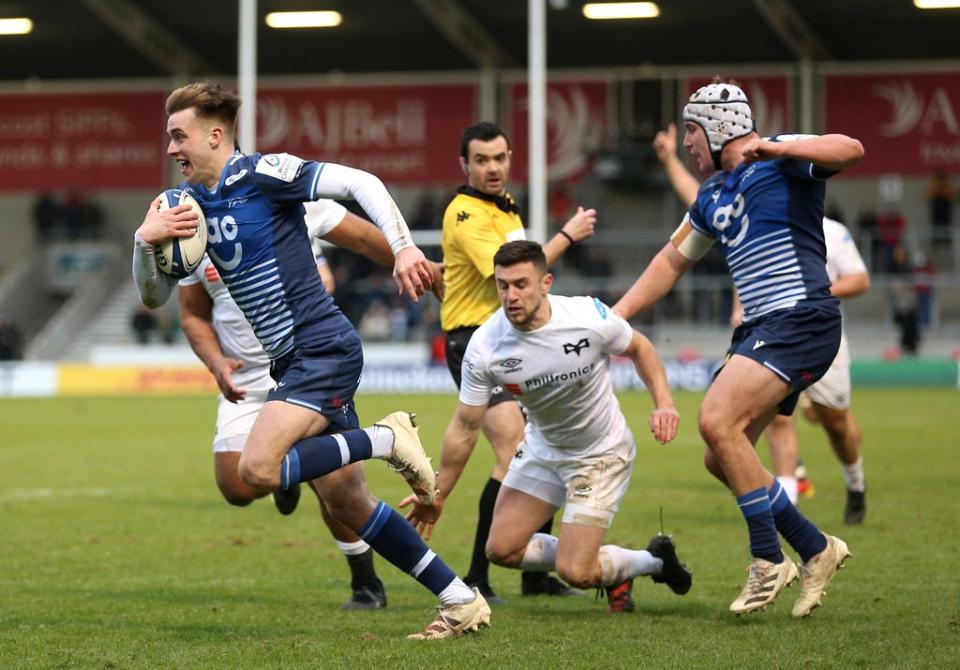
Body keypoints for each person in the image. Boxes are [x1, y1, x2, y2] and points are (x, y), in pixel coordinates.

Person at [132, 81, 489, 640]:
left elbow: (361, 183)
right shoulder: (187, 209)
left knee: (257, 471)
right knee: (351, 502)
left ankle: (386, 440)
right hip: (291, 362)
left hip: (321, 348)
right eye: (169, 137)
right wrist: (143, 242)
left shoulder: (264, 173)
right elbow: (155, 298)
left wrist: (404, 248)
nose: (171, 148)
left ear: (215, 135)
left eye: (179, 136)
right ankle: (460, 599)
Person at [615, 80, 863, 618]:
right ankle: (817, 548)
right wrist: (614, 318)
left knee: (716, 419)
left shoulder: (781, 155)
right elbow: (669, 263)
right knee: (720, 455)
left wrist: (781, 146)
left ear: (717, 127)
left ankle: (767, 558)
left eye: (690, 131)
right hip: (759, 330)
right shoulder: (711, 195)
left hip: (801, 318)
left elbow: (851, 148)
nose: (686, 143)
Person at [403, 240, 691, 613]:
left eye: (521, 284)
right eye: (503, 285)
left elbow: (641, 349)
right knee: (501, 549)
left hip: (600, 453)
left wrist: (664, 404)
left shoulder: (587, 317)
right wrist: (437, 492)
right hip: (543, 448)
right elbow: (465, 426)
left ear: (546, 283)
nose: (510, 296)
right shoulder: (486, 346)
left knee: (577, 571)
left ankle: (654, 561)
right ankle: (604, 560)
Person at [174, 200, 411, 610]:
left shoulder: (280, 218)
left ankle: (366, 585)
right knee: (235, 486)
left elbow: (328, 275)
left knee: (337, 487)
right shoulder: (194, 234)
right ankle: (290, 473)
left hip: (304, 368)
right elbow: (193, 313)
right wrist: (216, 363)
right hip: (244, 379)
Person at [654, 124, 871, 525]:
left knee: (834, 421)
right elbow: (699, 207)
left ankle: (854, 484)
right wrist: (669, 161)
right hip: (764, 330)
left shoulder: (831, 231)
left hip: (812, 325)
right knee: (774, 422)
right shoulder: (745, 210)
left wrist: (817, 290)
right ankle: (788, 504)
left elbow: (861, 279)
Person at [439, 121, 598, 603]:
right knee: (513, 450)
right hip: (474, 344)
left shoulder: (504, 206)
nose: (493, 167)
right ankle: (475, 578)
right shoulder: (466, 214)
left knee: (543, 446)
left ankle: (533, 576)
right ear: (464, 166)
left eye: (500, 157)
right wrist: (567, 236)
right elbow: (513, 275)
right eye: (482, 160)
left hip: (512, 342)